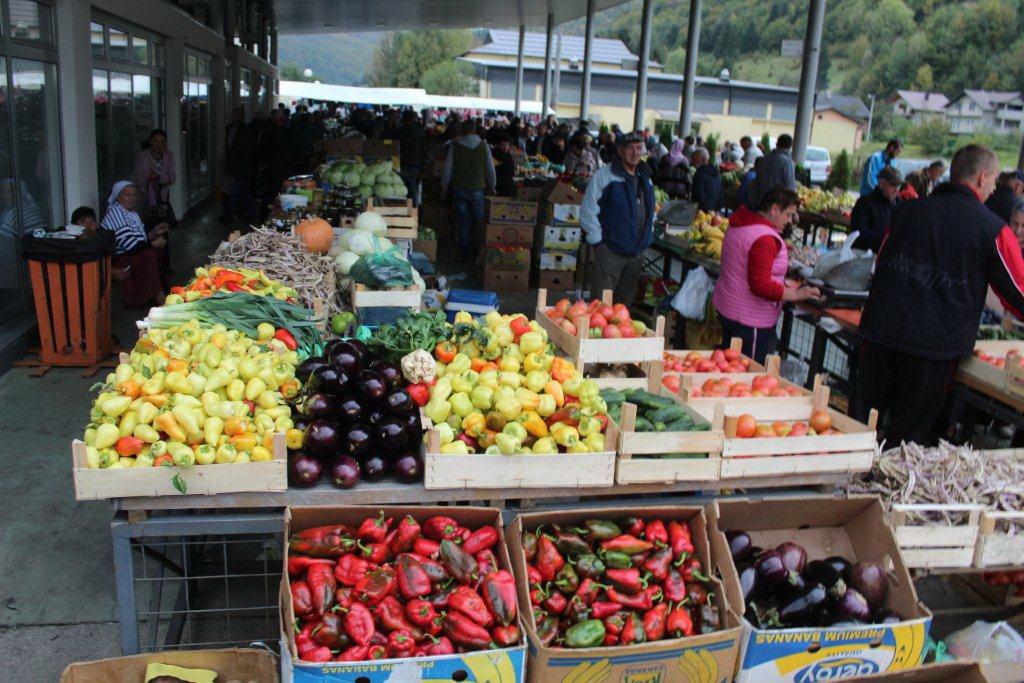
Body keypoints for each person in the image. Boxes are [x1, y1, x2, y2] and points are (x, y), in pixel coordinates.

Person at [852, 144, 1024, 445]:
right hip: (931, 350)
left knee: (858, 427)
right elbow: (1019, 290)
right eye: (994, 182)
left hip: (879, 333)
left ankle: (840, 485)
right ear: (982, 178)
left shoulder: (906, 210)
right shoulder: (992, 229)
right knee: (907, 442)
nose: (993, 189)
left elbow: (879, 265)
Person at [712, 187, 820, 362]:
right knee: (746, 373)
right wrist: (796, 294)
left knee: (728, 367)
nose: (790, 221)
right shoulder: (764, 238)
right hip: (749, 320)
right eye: (788, 214)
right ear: (774, 209)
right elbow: (760, 284)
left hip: (729, 308)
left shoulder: (741, 223)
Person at [580, 133, 655, 305]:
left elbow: (649, 209)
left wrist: (646, 239)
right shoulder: (605, 176)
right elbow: (588, 211)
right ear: (620, 150)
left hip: (636, 254)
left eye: (639, 147)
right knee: (600, 306)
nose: (635, 153)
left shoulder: (645, 176)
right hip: (610, 251)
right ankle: (592, 333)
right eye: (630, 148)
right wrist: (598, 243)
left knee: (623, 309)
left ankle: (618, 333)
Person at [100, 181, 167, 308]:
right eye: (127, 195)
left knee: (155, 248)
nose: (131, 198)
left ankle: (156, 292)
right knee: (149, 254)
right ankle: (158, 296)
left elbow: (138, 239)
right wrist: (153, 244)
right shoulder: (115, 213)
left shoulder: (131, 213)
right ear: (118, 197)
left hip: (131, 253)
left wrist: (153, 233)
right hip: (120, 260)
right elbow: (131, 246)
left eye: (134, 195)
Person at [442, 120, 495, 259]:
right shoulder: (484, 146)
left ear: (463, 131)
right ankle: (478, 254)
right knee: (478, 223)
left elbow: (447, 170)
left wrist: (444, 188)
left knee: (463, 224)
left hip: (459, 188)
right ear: (475, 130)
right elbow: (490, 170)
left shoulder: (455, 146)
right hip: (478, 188)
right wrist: (492, 186)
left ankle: (464, 254)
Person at [850, 166, 902, 252]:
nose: (896, 189)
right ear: (881, 184)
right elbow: (858, 233)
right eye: (893, 185)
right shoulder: (865, 203)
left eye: (899, 185)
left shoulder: (899, 202)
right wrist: (886, 238)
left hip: (888, 254)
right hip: (866, 254)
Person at [747, 133, 796, 208]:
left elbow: (757, 180)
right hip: (775, 205)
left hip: (760, 201)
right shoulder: (787, 162)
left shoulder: (764, 159)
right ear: (790, 146)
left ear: (777, 144)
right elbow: (790, 186)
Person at [398, 109, 426, 205]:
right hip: (416, 162)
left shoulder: (402, 130)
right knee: (413, 187)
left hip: (405, 161)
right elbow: (424, 146)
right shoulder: (419, 130)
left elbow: (400, 146)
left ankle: (407, 207)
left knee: (403, 187)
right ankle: (414, 209)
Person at [691, 147, 724, 213]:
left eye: (694, 158)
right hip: (714, 211)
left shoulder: (699, 174)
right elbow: (721, 195)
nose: (692, 161)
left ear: (700, 159)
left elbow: (699, 196)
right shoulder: (716, 173)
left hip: (702, 213)